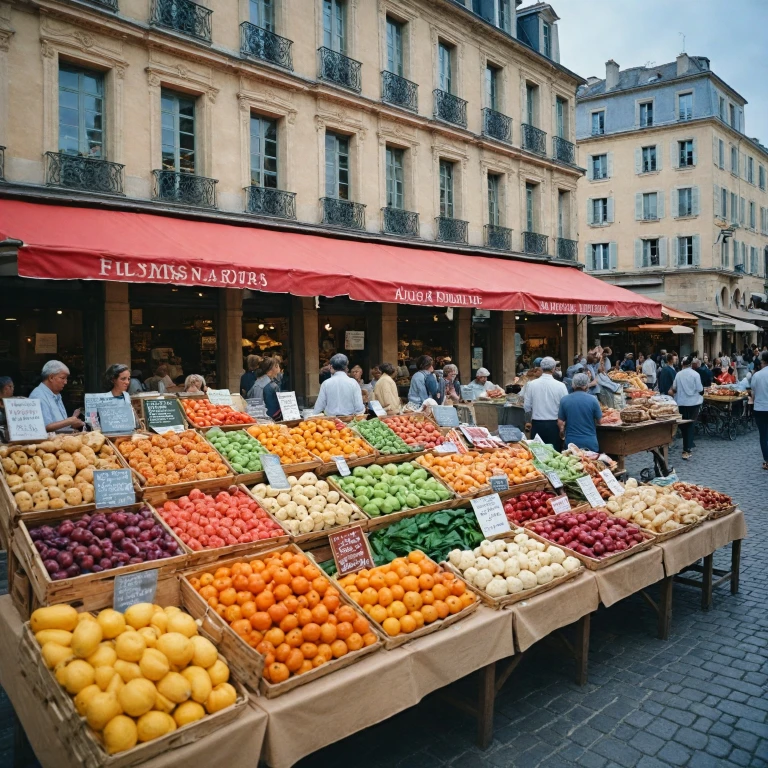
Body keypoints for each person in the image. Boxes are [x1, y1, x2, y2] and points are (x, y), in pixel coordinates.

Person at [523, 357, 568, 449]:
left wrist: (528, 422)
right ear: (553, 369)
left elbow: (527, 406)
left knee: (538, 454)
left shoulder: (531, 384)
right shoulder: (561, 386)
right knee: (554, 456)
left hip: (537, 424)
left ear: (541, 368)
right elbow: (565, 406)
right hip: (554, 425)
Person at [29, 360, 84, 433]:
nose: (65, 382)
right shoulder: (38, 396)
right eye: (63, 378)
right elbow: (45, 427)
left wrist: (71, 422)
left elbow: (58, 424)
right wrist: (69, 421)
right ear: (51, 377)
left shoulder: (55, 393)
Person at [557, 373, 603, 452]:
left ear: (573, 385)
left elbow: (560, 422)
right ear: (587, 385)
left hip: (571, 442)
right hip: (590, 442)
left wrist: (562, 432)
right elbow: (600, 421)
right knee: (590, 463)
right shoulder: (593, 400)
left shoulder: (564, 400)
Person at [670, 356, 703, 460]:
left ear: (682, 364)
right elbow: (700, 389)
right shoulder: (695, 374)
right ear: (690, 364)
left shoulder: (678, 374)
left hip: (682, 402)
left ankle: (687, 444)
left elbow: (674, 388)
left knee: (684, 425)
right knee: (690, 424)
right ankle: (687, 448)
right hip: (694, 402)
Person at [753, 352, 768, 470]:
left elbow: (753, 390)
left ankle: (767, 460)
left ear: (763, 361)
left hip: (760, 408)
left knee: (763, 435)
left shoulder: (757, 375)